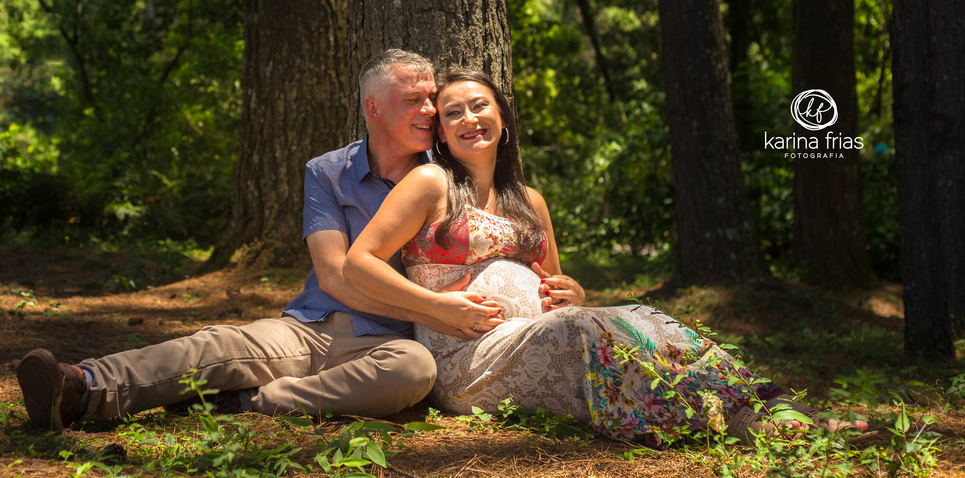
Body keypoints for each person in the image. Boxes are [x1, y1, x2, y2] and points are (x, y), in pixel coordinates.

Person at [345, 68, 875, 447]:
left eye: (480, 105)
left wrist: (572, 291)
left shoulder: (530, 202)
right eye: (453, 113)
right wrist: (436, 308)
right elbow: (358, 262)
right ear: (440, 132)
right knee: (583, 331)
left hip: (545, 337)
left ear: (503, 117)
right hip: (466, 354)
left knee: (646, 317)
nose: (468, 119)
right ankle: (737, 421)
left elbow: (557, 287)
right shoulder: (430, 181)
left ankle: (766, 404)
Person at [16, 49, 506, 429]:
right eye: (413, 101)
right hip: (317, 323)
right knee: (218, 346)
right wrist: (432, 307)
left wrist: (556, 285)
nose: (429, 111)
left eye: (430, 99)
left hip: (396, 342)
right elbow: (335, 274)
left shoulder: (447, 178)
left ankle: (250, 401)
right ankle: (81, 386)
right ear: (373, 108)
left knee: (413, 372)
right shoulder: (328, 172)